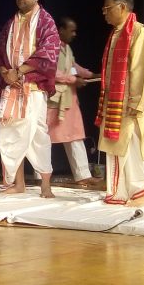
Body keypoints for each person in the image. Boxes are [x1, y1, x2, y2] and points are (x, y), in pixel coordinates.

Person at [0, 0, 59, 197]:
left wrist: (19, 71)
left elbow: (49, 53)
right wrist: (6, 73)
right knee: (12, 134)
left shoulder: (46, 21)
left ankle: (45, 185)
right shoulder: (11, 23)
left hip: (34, 88)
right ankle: (18, 184)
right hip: (12, 87)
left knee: (38, 135)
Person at [95, 0, 144, 207]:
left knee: (134, 148)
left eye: (107, 8)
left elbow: (140, 70)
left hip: (130, 104)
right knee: (116, 148)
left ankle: (139, 193)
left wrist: (135, 102)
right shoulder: (116, 33)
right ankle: (118, 192)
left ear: (122, 7)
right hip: (114, 103)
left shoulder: (138, 31)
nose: (105, 13)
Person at [46, 16, 103, 187]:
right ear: (60, 30)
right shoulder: (50, 48)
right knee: (43, 138)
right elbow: (50, 72)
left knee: (76, 137)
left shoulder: (67, 48)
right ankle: (40, 175)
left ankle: (83, 175)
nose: (74, 34)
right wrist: (73, 80)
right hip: (54, 100)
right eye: (71, 30)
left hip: (69, 100)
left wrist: (92, 75)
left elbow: (73, 67)